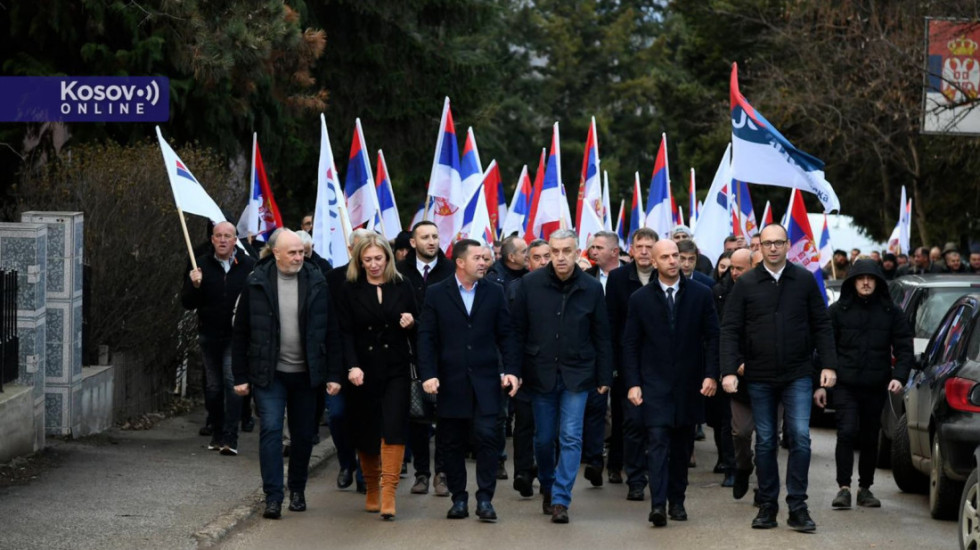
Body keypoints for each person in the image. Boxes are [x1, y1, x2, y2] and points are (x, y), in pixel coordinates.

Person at [720, 223, 838, 533]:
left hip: (798, 373)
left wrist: (828, 365)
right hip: (758, 376)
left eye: (779, 243)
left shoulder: (803, 280)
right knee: (766, 441)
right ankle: (768, 505)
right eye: (767, 243)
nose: (773, 248)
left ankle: (797, 506)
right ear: (759, 247)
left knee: (799, 436)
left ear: (788, 246)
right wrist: (729, 370)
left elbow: (821, 325)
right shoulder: (745, 284)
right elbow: (730, 329)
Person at [232, 229, 343, 519]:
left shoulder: (316, 280)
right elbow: (241, 330)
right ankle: (273, 496)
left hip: (307, 374)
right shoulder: (256, 281)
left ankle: (297, 489)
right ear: (276, 253)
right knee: (269, 429)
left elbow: (331, 330)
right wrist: (240, 375)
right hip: (269, 372)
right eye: (292, 252)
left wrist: (333, 373)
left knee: (304, 434)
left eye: (301, 252)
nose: (298, 257)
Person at [512, 229, 612, 524]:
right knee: (544, 440)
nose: (559, 257)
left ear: (578, 251)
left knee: (570, 437)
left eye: (566, 251)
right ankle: (547, 482)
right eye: (554, 251)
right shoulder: (529, 285)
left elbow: (602, 336)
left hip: (578, 374)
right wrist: (514, 372)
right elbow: (517, 332)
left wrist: (604, 375)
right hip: (539, 373)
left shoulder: (592, 288)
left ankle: (560, 498)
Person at [419, 239, 521, 522]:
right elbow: (426, 337)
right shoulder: (437, 293)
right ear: (460, 262)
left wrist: (511, 370)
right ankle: (459, 498)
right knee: (451, 442)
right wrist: (428, 374)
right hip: (450, 382)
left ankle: (485, 498)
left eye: (486, 258)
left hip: (487, 381)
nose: (483, 263)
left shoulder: (494, 291)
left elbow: (506, 334)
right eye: (477, 257)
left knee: (489, 439)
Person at [623, 239, 719, 526]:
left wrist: (710, 374)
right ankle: (659, 504)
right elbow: (630, 343)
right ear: (654, 262)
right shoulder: (640, 299)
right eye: (665, 256)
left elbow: (713, 336)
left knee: (681, 447)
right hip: (654, 385)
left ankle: (678, 500)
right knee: (657, 442)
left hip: (689, 385)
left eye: (675, 255)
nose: (673, 261)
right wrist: (633, 382)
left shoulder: (701, 294)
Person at [818, 259, 914, 509]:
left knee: (870, 436)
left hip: (876, 384)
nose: (866, 282)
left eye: (870, 279)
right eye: (861, 278)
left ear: (878, 282)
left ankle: (865, 488)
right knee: (847, 432)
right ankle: (843, 488)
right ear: (853, 282)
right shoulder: (837, 311)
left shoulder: (892, 313)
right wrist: (822, 378)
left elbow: (904, 347)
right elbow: (824, 346)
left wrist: (899, 376)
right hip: (845, 384)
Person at [336, 234, 418, 520]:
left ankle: (389, 493)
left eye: (378, 259)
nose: (373, 264)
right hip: (362, 370)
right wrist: (351, 366)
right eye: (367, 259)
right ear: (359, 260)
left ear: (388, 257)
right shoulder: (349, 289)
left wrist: (411, 323)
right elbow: (344, 332)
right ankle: (371, 488)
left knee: (394, 427)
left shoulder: (402, 285)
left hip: (395, 367)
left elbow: (419, 325)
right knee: (366, 430)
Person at [181, 221, 255, 455]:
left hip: (236, 335)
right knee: (213, 387)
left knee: (232, 382)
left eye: (228, 236)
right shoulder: (199, 264)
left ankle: (231, 437)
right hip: (209, 334)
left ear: (235, 241)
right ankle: (217, 430)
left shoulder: (248, 266)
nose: (223, 240)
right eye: (218, 236)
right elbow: (187, 302)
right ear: (212, 239)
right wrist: (194, 285)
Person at [396, 221, 454, 496]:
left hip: (446, 352)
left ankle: (441, 472)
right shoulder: (399, 272)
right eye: (425, 237)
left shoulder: (452, 269)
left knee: (445, 415)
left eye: (435, 236)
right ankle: (421, 472)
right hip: (411, 355)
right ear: (413, 243)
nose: (431, 241)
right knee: (418, 416)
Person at [323, 228, 375, 491]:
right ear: (351, 249)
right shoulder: (333, 278)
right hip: (338, 362)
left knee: (366, 418)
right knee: (338, 415)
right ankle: (346, 461)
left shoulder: (381, 280)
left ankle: (366, 472)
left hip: (371, 363)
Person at [505, 239, 550, 497]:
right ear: (527, 261)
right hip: (523, 369)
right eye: (537, 257)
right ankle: (523, 471)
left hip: (553, 370)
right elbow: (510, 332)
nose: (543, 261)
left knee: (549, 429)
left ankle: (546, 476)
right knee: (524, 423)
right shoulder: (515, 289)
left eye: (547, 256)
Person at [581, 230, 624, 486]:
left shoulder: (626, 277)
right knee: (596, 406)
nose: (593, 251)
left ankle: (617, 462)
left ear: (614, 251)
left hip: (621, 352)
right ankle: (595, 459)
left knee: (620, 410)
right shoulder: (586, 278)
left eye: (598, 247)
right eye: (591, 247)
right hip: (593, 352)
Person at [714, 249, 755, 497]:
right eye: (731, 268)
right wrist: (734, 364)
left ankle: (764, 489)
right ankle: (739, 467)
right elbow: (724, 333)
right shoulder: (720, 293)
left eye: (740, 268)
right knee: (738, 431)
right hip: (736, 376)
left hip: (769, 376)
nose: (735, 273)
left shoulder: (765, 291)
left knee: (768, 437)